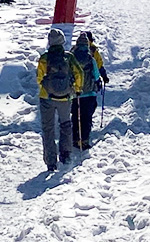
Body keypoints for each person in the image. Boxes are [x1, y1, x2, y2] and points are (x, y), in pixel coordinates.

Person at [36, 28, 83, 171]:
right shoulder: (68, 57)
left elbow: (39, 77)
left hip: (46, 97)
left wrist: (46, 87)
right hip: (65, 97)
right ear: (62, 41)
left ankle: (51, 161)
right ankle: (65, 154)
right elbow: (79, 73)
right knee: (65, 125)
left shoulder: (44, 58)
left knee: (48, 128)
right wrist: (77, 89)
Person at [70, 31, 108, 150]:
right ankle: (84, 140)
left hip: (75, 93)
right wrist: (101, 80)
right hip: (89, 92)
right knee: (86, 117)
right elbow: (96, 74)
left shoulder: (71, 56)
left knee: (76, 115)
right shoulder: (91, 57)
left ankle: (75, 138)